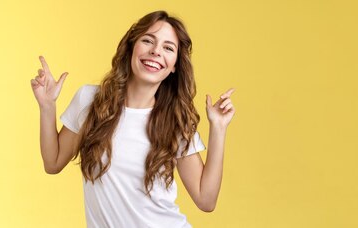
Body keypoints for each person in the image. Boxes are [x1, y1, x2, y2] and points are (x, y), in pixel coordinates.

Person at [30, 10, 235, 228]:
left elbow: (206, 199)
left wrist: (219, 128)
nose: (156, 52)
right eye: (148, 40)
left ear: (174, 65)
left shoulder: (174, 120)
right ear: (131, 47)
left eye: (168, 48)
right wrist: (47, 106)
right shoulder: (89, 101)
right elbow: (53, 162)